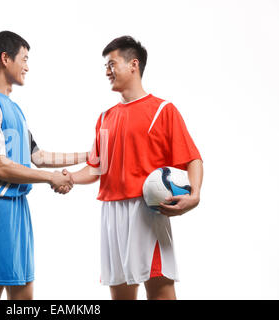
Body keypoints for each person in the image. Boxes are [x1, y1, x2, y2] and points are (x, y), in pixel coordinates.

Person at [62, 36, 203, 300]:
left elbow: (193, 158)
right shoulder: (105, 117)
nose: (107, 71)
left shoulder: (163, 110)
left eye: (111, 64)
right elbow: (95, 168)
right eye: (105, 66)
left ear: (133, 65)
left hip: (146, 211)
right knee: (121, 296)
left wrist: (194, 195)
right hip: (111, 213)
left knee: (160, 292)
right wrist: (69, 176)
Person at [0, 31, 87, 300]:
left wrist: (90, 155)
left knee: (24, 295)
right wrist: (49, 178)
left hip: (20, 211)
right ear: (5, 59)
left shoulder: (15, 109)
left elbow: (39, 156)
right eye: (24, 58)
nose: (27, 66)